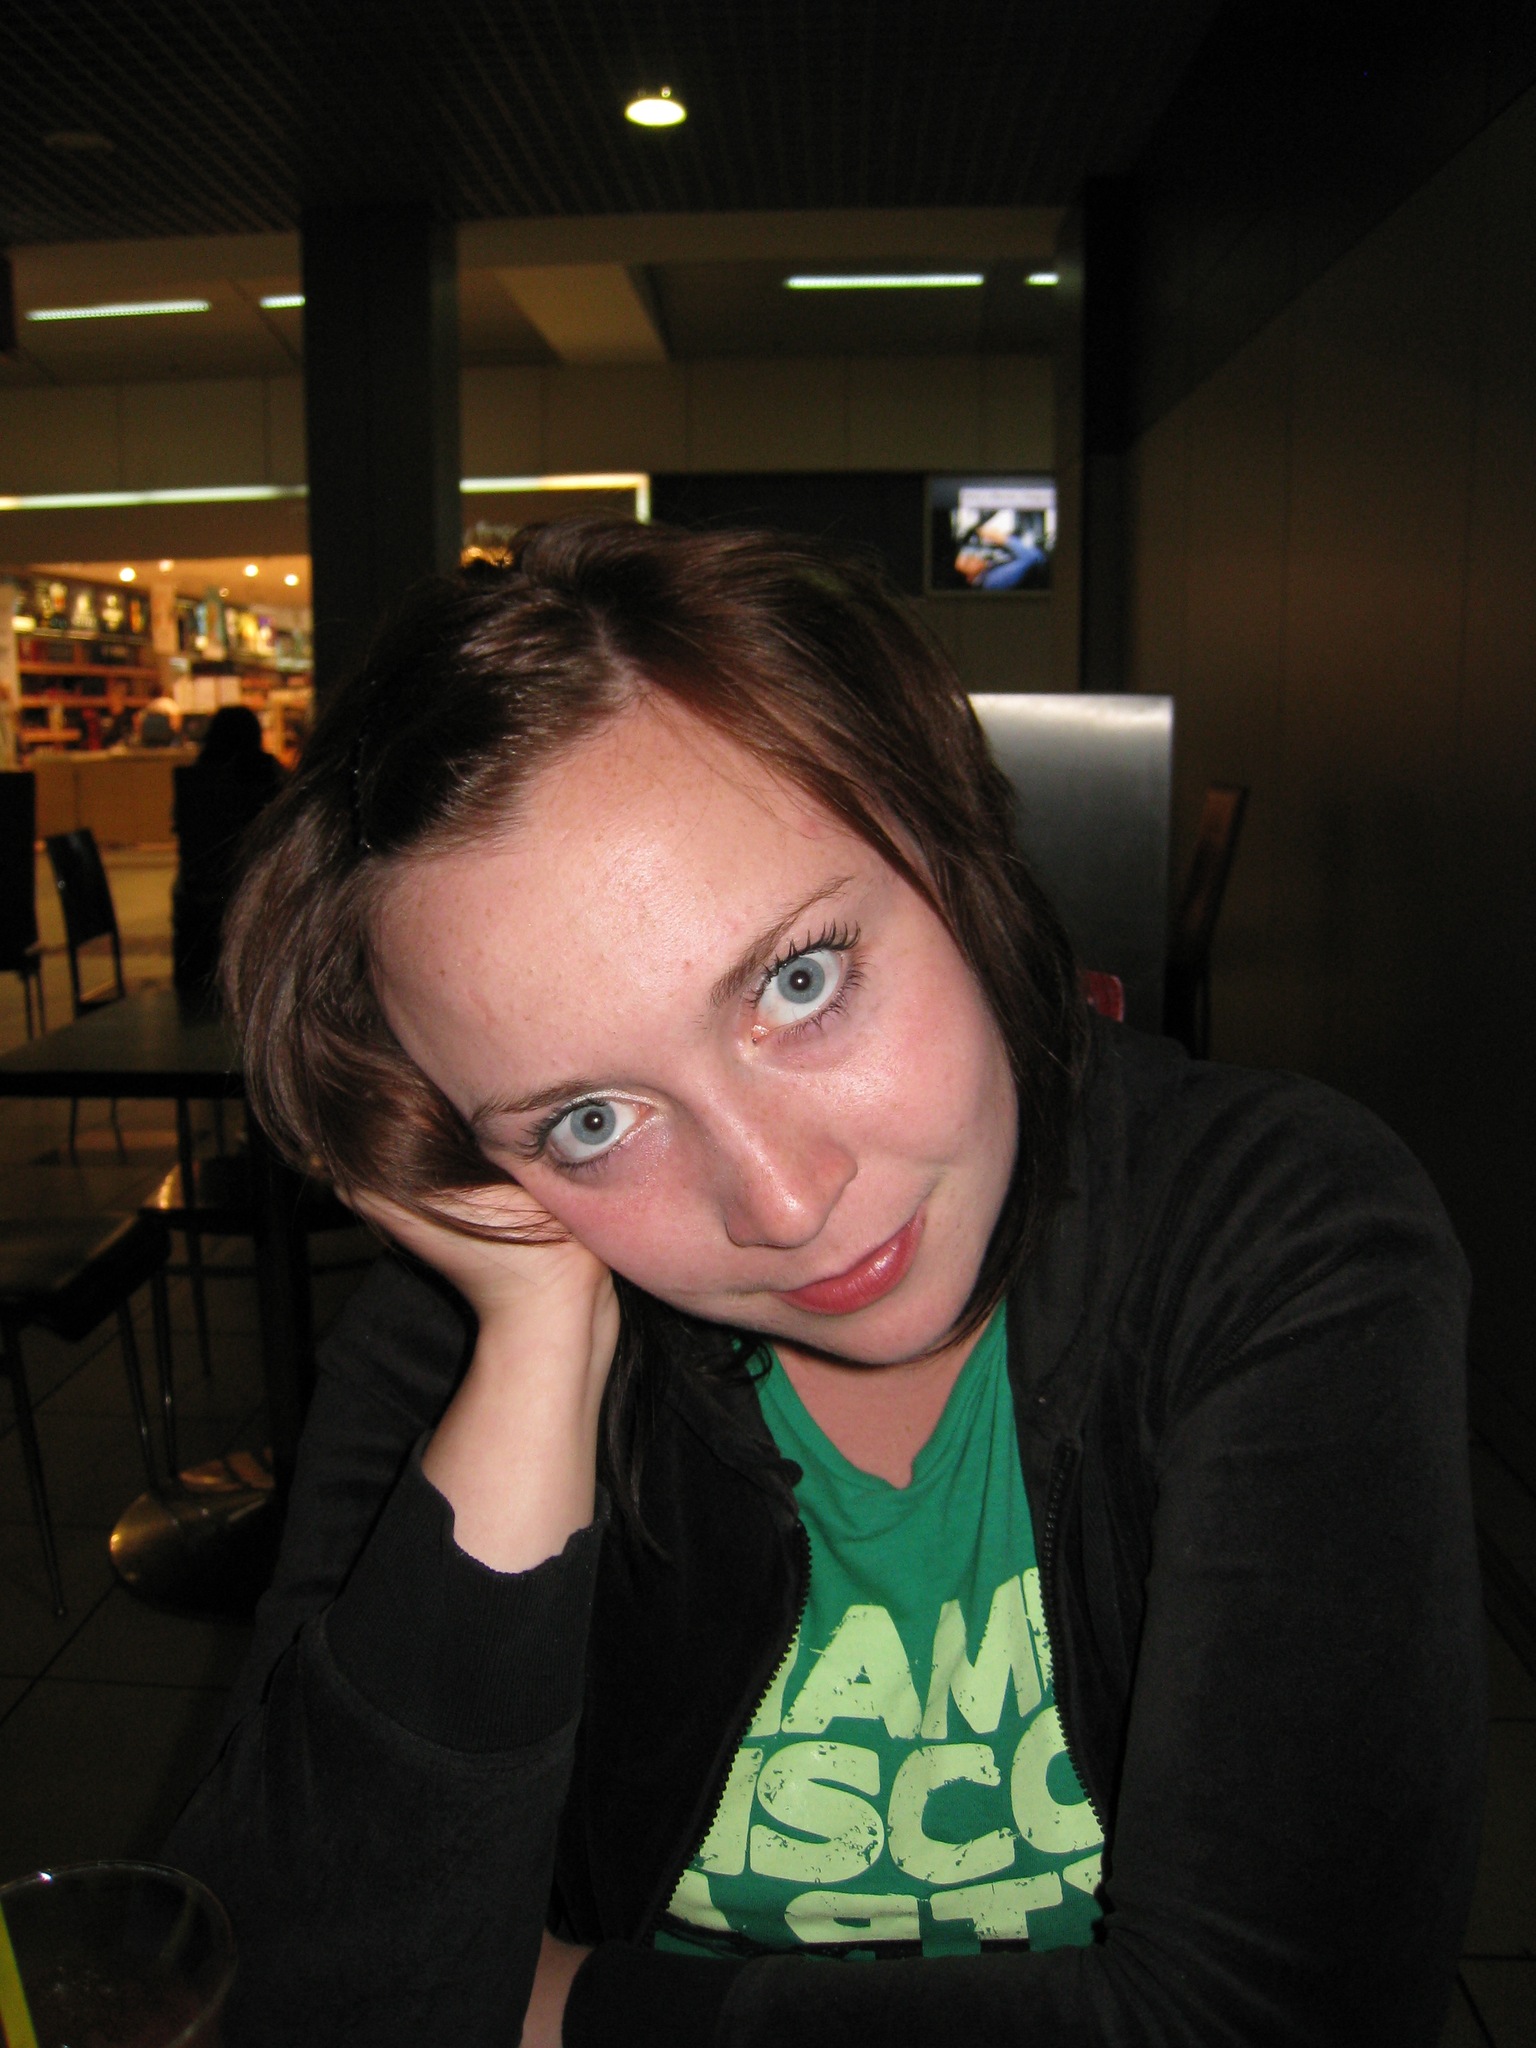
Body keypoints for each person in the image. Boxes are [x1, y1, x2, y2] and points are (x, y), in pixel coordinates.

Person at [166, 519, 1484, 2047]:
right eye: (589, 1122)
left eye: (801, 981)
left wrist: (566, 2011)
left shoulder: (1273, 1229)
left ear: (949, 846)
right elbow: (293, 1993)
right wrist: (533, 1350)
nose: (784, 1204)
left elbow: (1284, 2019)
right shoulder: (472, 1327)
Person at [170, 704, 285, 998]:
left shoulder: (194, 782)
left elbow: (184, 835)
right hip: (254, 903)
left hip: (199, 903)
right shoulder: (267, 777)